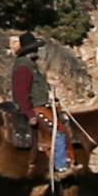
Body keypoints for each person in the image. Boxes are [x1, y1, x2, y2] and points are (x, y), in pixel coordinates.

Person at [10, 32, 70, 172]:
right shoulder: (24, 67)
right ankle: (61, 166)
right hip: (34, 107)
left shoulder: (30, 65)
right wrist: (29, 113)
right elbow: (21, 93)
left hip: (40, 104)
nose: (36, 52)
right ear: (29, 51)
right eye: (34, 49)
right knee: (58, 131)